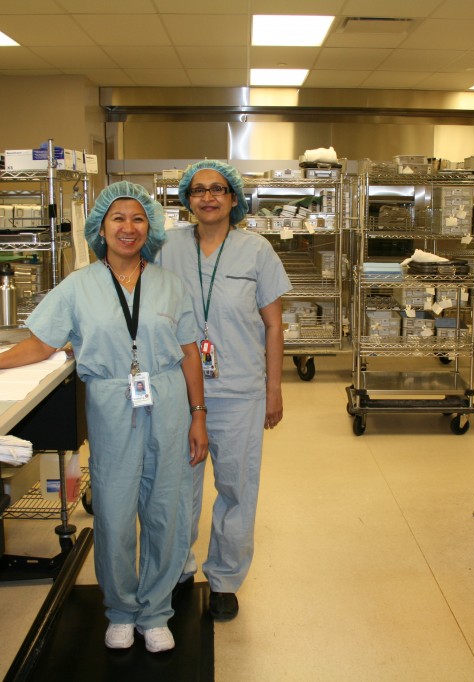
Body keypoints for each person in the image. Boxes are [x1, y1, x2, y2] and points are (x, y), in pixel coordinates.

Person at [0, 182, 208, 653]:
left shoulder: (172, 286)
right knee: (115, 512)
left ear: (150, 229)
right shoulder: (78, 286)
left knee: (167, 509)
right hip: (112, 401)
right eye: (118, 219)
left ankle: (156, 611)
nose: (128, 228)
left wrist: (199, 416)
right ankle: (120, 609)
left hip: (170, 399)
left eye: (138, 219)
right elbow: (44, 341)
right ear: (101, 228)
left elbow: (190, 352)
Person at [159, 160, 291, 621]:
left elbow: (274, 326)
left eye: (218, 189)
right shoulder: (167, 247)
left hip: (240, 391)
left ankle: (225, 579)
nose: (208, 197)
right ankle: (176, 570)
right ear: (186, 199)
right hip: (177, 388)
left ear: (234, 199)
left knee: (236, 487)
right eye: (198, 190)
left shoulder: (257, 251)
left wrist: (273, 389)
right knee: (177, 488)